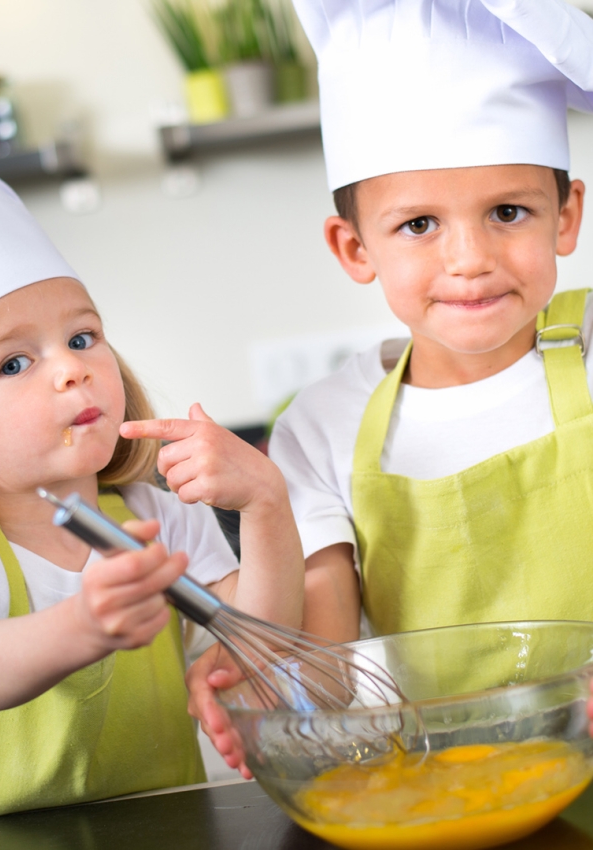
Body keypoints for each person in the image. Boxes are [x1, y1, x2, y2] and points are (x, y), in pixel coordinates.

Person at [0, 72, 304, 820]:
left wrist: (265, 502)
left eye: (82, 336)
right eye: (14, 363)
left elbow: (261, 640)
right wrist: (82, 625)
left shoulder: (158, 517)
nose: (71, 368)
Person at [187, 0, 593, 773]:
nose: (469, 258)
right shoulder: (323, 426)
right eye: (419, 225)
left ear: (565, 218)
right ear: (353, 246)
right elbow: (334, 668)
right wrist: (265, 692)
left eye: (509, 212)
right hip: (438, 789)